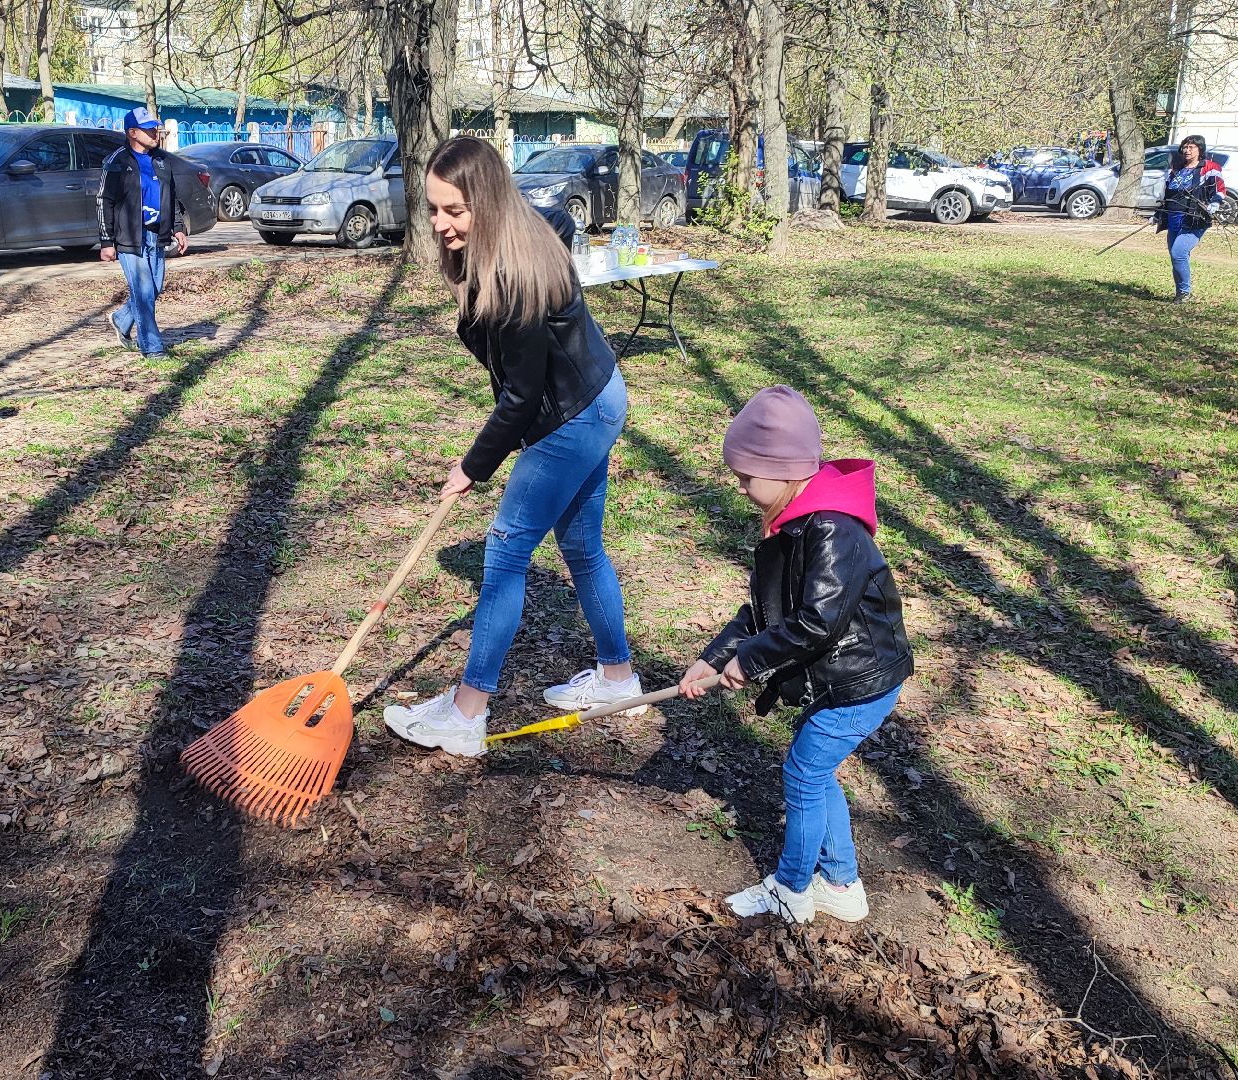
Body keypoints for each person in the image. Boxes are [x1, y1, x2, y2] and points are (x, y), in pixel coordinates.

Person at [382, 136, 640, 758]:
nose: (442, 224)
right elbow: (558, 218)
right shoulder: (524, 228)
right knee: (581, 544)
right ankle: (616, 677)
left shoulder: (513, 283)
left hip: (572, 417)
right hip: (601, 394)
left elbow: (520, 400)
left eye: (455, 211)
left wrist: (472, 467)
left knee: (504, 554)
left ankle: (467, 713)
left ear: (488, 202)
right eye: (435, 209)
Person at [677, 386, 914, 924]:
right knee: (815, 771)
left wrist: (751, 661)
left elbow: (817, 622)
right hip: (840, 677)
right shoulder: (797, 519)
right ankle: (843, 884)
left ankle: (792, 889)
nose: (740, 487)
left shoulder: (831, 529)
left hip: (861, 680)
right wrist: (716, 658)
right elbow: (766, 611)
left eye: (745, 477)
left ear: (781, 469)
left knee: (804, 773)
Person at [96, 107, 187, 357]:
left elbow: (172, 197)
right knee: (144, 290)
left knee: (153, 289)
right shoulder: (117, 161)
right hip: (129, 237)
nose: (155, 133)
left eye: (155, 128)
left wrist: (178, 228)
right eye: (148, 129)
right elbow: (104, 201)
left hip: (157, 235)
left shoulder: (162, 160)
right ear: (132, 133)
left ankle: (122, 319)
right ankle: (153, 348)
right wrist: (106, 241)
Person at [1157, 134, 1225, 303]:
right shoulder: (1177, 168)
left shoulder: (1209, 167)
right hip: (1173, 217)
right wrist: (1158, 214)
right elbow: (1167, 194)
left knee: (1178, 252)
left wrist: (1215, 203)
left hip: (1194, 218)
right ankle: (1180, 293)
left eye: (1191, 147)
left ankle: (1185, 292)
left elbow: (1219, 189)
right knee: (1176, 257)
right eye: (1185, 147)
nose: (1187, 150)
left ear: (1199, 149)